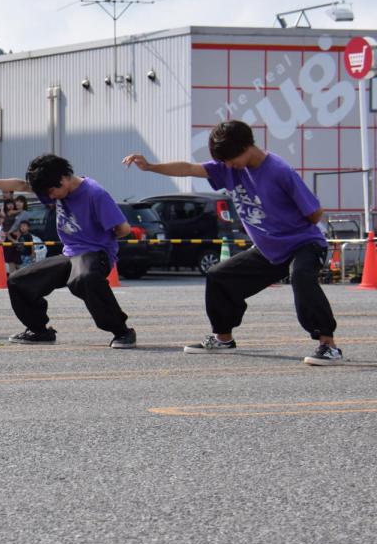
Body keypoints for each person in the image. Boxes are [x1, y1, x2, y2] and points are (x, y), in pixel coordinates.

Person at [124, 119, 343, 366]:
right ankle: (223, 338)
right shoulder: (228, 168)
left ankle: (328, 345)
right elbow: (188, 168)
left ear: (247, 147)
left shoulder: (279, 171)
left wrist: (285, 218)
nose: (228, 166)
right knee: (219, 276)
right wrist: (151, 166)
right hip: (269, 250)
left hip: (303, 244)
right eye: (224, 162)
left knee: (302, 277)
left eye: (230, 159)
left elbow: (314, 213)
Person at [0, 155, 136, 349]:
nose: (50, 197)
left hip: (95, 254)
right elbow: (21, 185)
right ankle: (40, 331)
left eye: (52, 191)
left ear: (63, 179)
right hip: (70, 255)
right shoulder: (53, 186)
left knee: (83, 279)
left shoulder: (95, 194)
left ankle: (122, 331)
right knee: (19, 281)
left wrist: (101, 242)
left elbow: (124, 229)